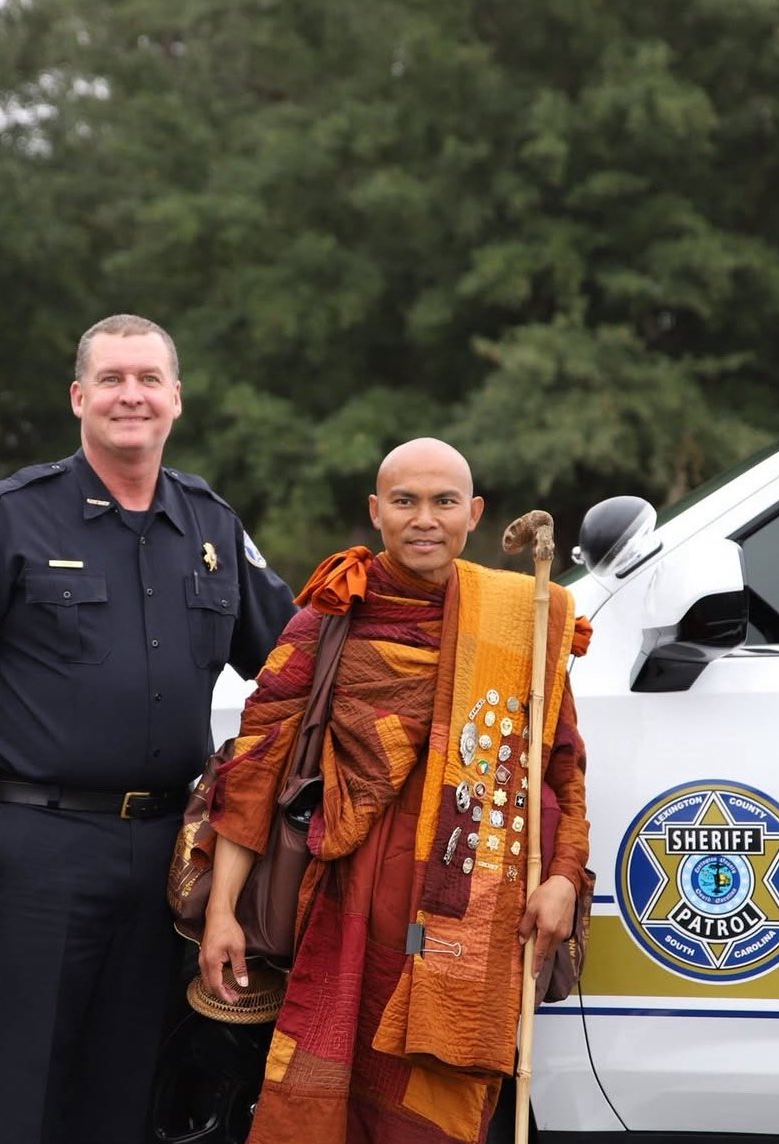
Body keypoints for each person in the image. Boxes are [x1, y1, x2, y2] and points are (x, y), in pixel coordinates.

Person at [0, 313, 298, 1144]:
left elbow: (294, 662)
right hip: (40, 848)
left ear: (176, 399)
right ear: (79, 397)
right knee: (24, 1092)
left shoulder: (211, 526)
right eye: (111, 379)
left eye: (148, 379)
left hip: (165, 855)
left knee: (130, 1089)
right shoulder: (11, 517)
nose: (130, 396)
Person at [197, 437, 591, 1144]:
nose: (424, 519)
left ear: (472, 513)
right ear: (375, 511)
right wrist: (222, 910)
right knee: (326, 1107)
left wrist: (562, 878)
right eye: (404, 501)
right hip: (346, 909)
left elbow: (560, 768)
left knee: (428, 1119)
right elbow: (251, 770)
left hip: (461, 918)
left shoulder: (520, 621)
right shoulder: (330, 616)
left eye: (443, 502)